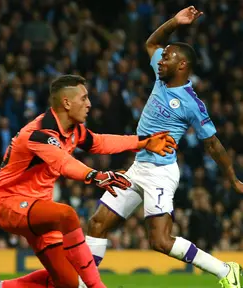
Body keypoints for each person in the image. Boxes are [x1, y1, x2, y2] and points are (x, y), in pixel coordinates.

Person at [85, 6, 243, 288]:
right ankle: (86, 285)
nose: (160, 61)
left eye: (167, 58)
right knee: (98, 223)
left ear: (181, 65)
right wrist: (175, 22)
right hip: (138, 167)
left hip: (161, 173)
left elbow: (214, 145)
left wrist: (232, 178)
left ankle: (225, 270)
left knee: (159, 241)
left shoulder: (192, 102)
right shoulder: (162, 77)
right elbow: (152, 43)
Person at [0, 74, 176, 288]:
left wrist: (142, 142)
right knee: (67, 215)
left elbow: (99, 142)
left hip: (41, 210)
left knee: (66, 283)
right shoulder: (38, 134)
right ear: (66, 102)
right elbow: (64, 163)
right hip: (10, 204)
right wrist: (97, 176)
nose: (89, 104)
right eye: (84, 98)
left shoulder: (74, 131)